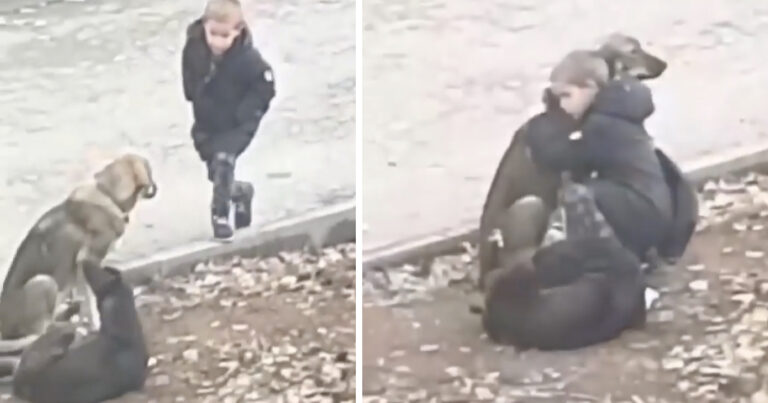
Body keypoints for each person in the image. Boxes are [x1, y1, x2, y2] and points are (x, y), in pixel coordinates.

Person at [181, 0, 276, 239]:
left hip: (238, 123)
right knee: (217, 175)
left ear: (238, 30)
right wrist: (193, 94)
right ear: (204, 26)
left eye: (225, 35)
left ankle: (220, 218)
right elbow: (189, 72)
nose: (218, 41)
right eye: (213, 33)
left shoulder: (248, 59)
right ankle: (241, 193)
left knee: (224, 161)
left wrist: (246, 113)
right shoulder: (194, 48)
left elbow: (265, 86)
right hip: (207, 121)